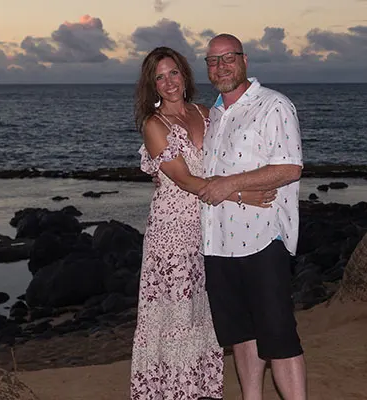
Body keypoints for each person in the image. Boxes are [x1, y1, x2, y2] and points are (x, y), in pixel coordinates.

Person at [130, 46, 276, 400]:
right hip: (172, 233)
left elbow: (230, 159)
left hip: (209, 229)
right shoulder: (154, 125)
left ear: (185, 74)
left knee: (202, 315)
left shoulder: (206, 113)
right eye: (159, 77)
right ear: (152, 85)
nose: (168, 83)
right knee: (174, 317)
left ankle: (199, 392)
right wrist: (243, 195)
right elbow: (187, 181)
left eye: (173, 73)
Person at [198, 34, 307, 400]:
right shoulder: (214, 113)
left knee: (279, 336)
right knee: (241, 334)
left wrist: (229, 184)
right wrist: (234, 189)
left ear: (244, 60)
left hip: (263, 240)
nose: (221, 66)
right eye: (213, 61)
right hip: (218, 242)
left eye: (229, 58)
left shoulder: (273, 105)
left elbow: (290, 167)